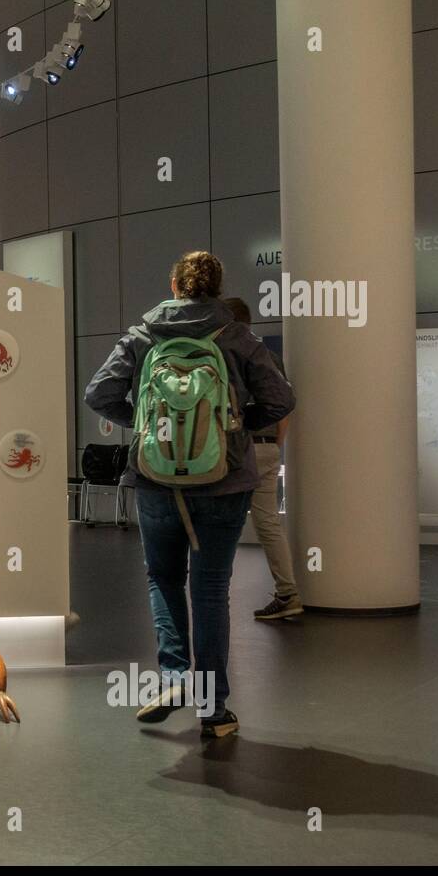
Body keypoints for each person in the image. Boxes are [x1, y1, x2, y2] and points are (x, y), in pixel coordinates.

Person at [85, 252, 294, 737]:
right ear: (218, 289)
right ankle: (214, 710)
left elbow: (99, 393)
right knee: (211, 590)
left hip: (156, 480)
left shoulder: (143, 335)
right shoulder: (238, 337)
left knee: (163, 579)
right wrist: (234, 433)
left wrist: (144, 430)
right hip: (223, 482)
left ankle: (176, 675)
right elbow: (282, 399)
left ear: (174, 284)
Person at [222, 297, 304, 620]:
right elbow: (285, 406)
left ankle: (215, 592)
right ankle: (288, 593)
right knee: (269, 523)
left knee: (224, 520)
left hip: (239, 447)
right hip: (268, 446)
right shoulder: (270, 357)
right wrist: (273, 444)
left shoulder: (229, 355)